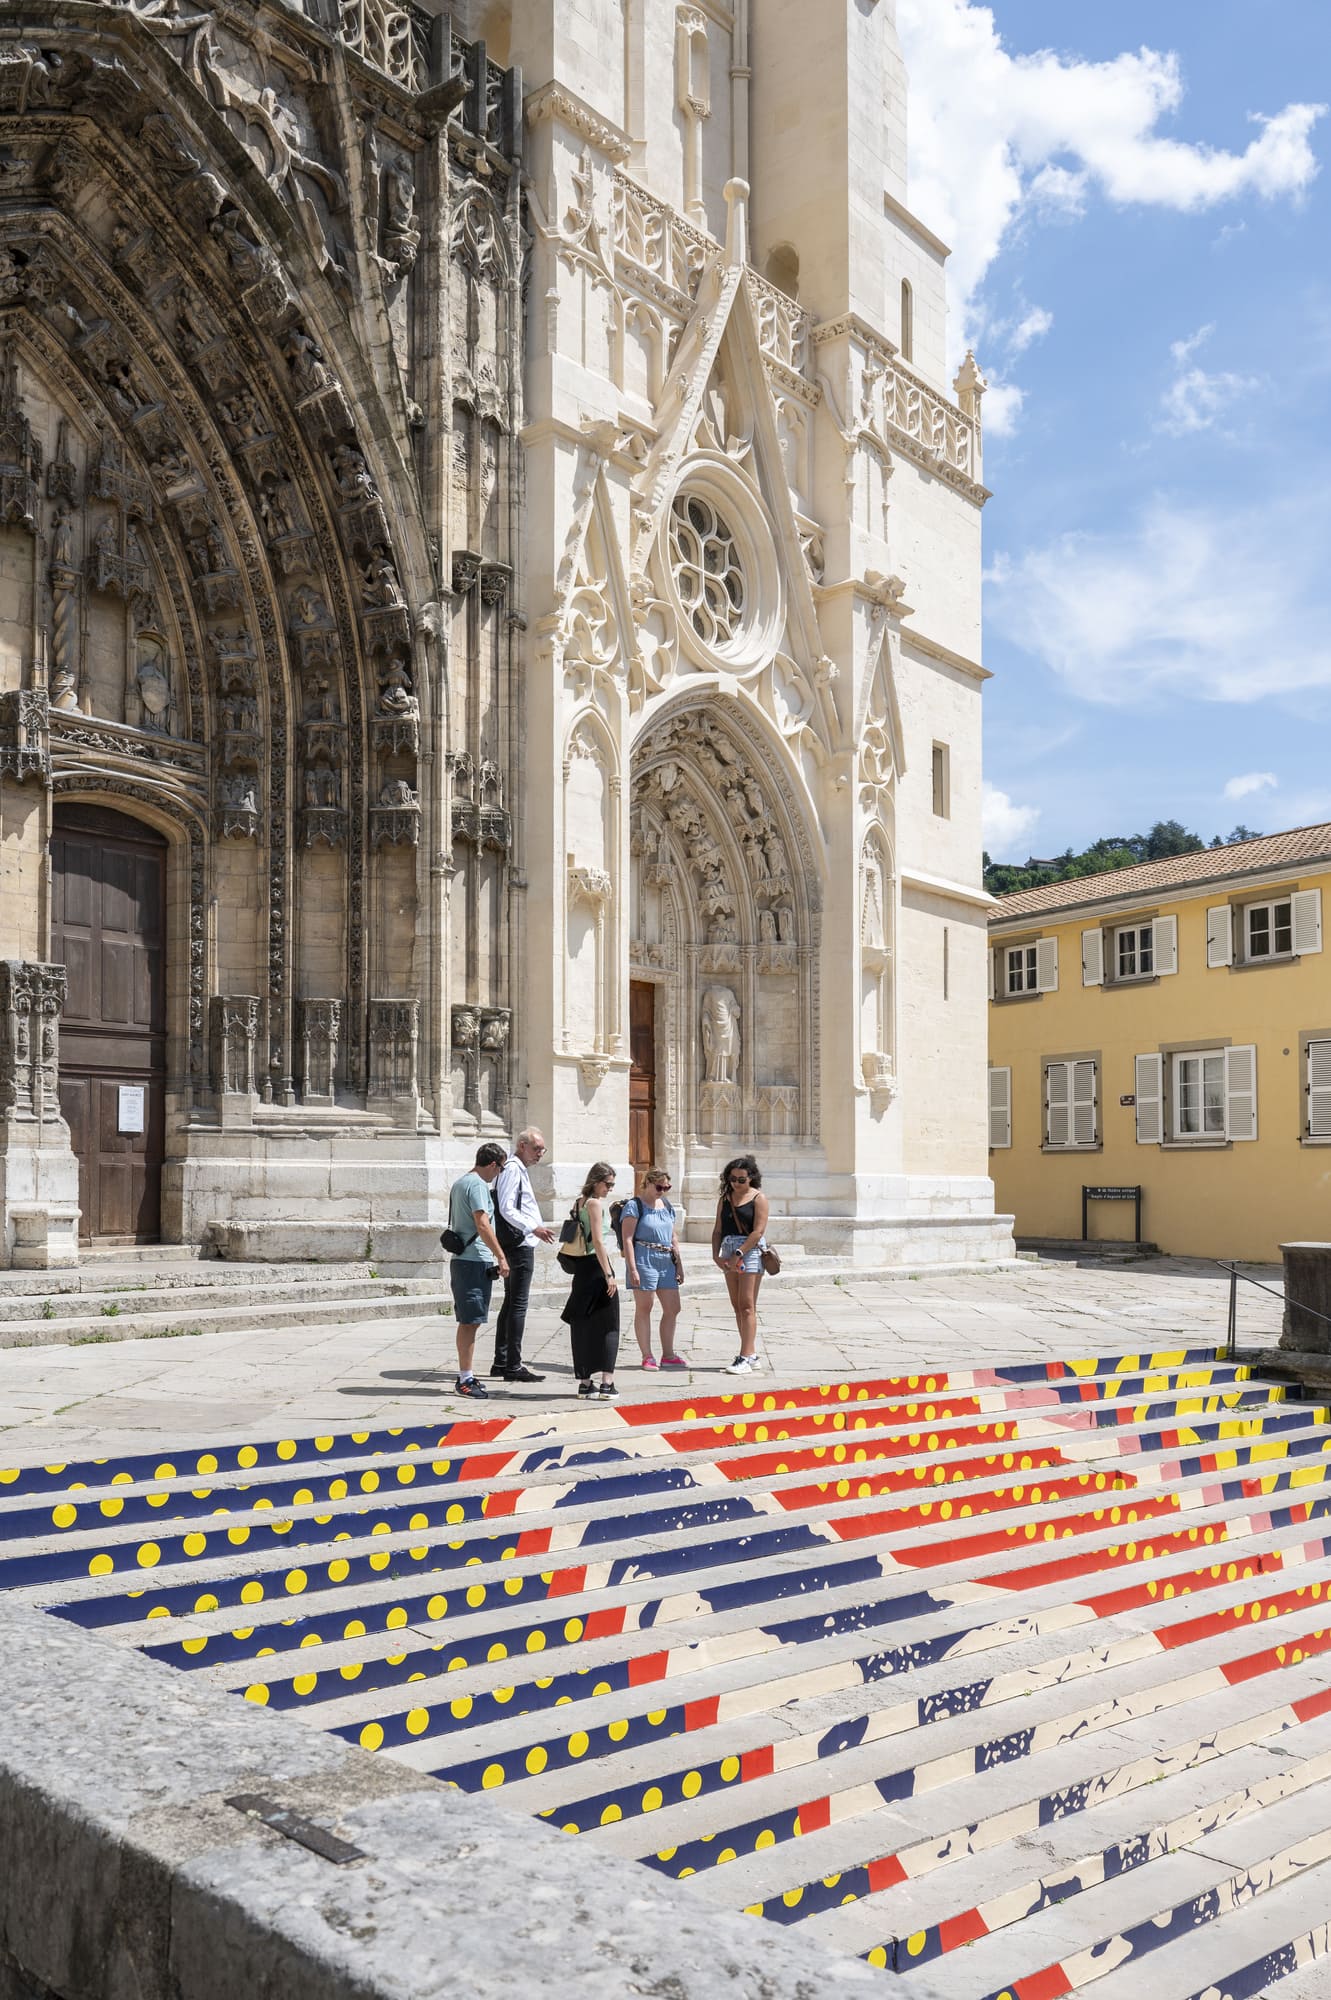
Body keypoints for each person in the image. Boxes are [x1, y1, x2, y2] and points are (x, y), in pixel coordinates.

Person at [446, 1142, 508, 1398]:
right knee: (470, 1321)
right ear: (493, 1165)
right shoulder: (478, 1186)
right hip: (473, 1260)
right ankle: (465, 1378)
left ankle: (467, 1375)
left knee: (470, 1320)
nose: (499, 1175)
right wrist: (501, 1256)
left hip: (464, 1259)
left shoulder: (461, 1182)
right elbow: (482, 1224)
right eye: (500, 1169)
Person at [492, 1127, 555, 1382]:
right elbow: (507, 1208)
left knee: (511, 1303)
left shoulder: (517, 1169)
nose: (540, 1154)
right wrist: (533, 1228)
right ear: (521, 1145)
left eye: (542, 1149)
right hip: (518, 1244)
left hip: (521, 1242)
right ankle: (513, 1365)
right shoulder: (512, 1169)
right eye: (537, 1148)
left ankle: (502, 1360)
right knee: (517, 1304)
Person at [560, 1162, 620, 1397]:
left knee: (582, 1325)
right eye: (608, 1184)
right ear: (596, 1182)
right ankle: (607, 1383)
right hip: (597, 1267)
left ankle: (585, 1383)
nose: (610, 1189)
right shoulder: (595, 1203)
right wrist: (609, 1275)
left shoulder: (579, 1202)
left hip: (582, 1269)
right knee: (609, 1325)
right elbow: (597, 1241)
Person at [622, 1168, 686, 1370]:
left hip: (666, 1259)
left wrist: (679, 1264)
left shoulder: (666, 1205)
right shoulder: (635, 1206)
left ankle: (668, 1354)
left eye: (667, 1187)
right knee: (644, 1307)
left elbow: (673, 1236)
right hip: (644, 1257)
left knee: (673, 1307)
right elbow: (628, 1239)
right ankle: (647, 1355)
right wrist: (632, 1268)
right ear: (647, 1183)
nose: (663, 1191)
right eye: (659, 1187)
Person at [712, 1153, 769, 1376]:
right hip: (728, 1249)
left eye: (741, 1179)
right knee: (737, 1304)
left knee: (747, 1304)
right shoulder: (725, 1199)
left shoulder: (759, 1198)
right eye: (732, 1179)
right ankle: (751, 1353)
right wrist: (715, 1254)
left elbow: (758, 1231)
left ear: (751, 1178)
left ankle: (744, 1357)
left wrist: (739, 1253)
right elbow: (718, 1229)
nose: (736, 1183)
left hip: (750, 1251)